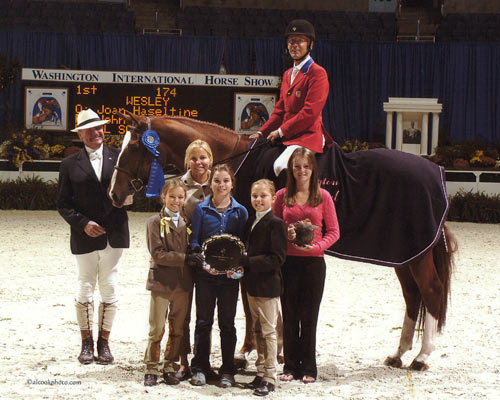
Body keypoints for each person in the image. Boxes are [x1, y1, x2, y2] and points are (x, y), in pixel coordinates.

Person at [57, 108, 129, 365]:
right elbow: (63, 204)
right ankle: (86, 343)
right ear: (81, 135)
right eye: (89, 130)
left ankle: (104, 343)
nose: (94, 133)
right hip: (84, 234)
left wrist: (130, 196)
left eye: (98, 128)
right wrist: (83, 223)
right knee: (85, 285)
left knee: (109, 286)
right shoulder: (68, 164)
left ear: (103, 130)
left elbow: (130, 190)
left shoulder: (119, 157)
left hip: (115, 233)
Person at [273, 147, 340, 383]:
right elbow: (274, 228)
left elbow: (334, 232)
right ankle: (290, 366)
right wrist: (285, 233)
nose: (302, 170)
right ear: (291, 169)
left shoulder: (323, 197)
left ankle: (309, 367)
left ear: (313, 169)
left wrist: (316, 247)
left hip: (313, 264)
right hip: (288, 263)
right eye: (297, 166)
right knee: (290, 315)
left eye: (306, 166)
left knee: (309, 316)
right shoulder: (282, 196)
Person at [189, 164, 248, 388]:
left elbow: (242, 244)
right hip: (205, 276)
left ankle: (227, 369)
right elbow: (194, 242)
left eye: (225, 180)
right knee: (203, 321)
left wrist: (236, 267)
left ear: (232, 183)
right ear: (210, 183)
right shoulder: (201, 210)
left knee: (227, 323)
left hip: (228, 279)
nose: (221, 185)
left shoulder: (240, 211)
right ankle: (200, 367)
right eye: (216, 181)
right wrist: (203, 264)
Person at [250, 19, 333, 177]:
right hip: (288, 136)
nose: (294, 45)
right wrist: (261, 133)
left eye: (300, 41)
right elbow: (280, 111)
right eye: (291, 41)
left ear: (311, 45)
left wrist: (281, 131)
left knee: (281, 167)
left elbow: (310, 112)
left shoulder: (317, 73)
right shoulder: (288, 74)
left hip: (308, 136)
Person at [161, 139, 213, 380]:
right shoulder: (179, 185)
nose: (198, 162)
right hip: (185, 255)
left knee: (205, 312)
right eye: (193, 158)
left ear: (210, 159)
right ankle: (182, 360)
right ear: (187, 161)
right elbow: (168, 220)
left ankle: (203, 360)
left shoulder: (220, 181)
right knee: (182, 312)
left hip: (212, 257)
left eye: (203, 157)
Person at [143, 179, 203, 387]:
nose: (176, 201)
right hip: (162, 282)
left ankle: (170, 364)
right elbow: (158, 254)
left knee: (178, 327)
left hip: (183, 283)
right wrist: (185, 258)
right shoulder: (154, 222)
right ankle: (151, 367)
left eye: (180, 197)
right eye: (172, 197)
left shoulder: (187, 222)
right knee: (157, 328)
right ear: (163, 197)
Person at [239, 179, 287, 396]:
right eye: (254, 196)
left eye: (263, 196)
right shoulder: (251, 221)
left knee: (268, 332)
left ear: (273, 197)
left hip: (268, 286)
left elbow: (276, 258)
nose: (258, 200)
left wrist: (248, 261)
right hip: (251, 284)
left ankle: (270, 375)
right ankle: (259, 371)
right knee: (257, 329)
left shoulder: (276, 224)